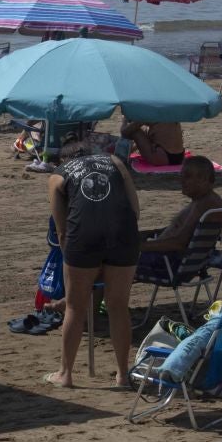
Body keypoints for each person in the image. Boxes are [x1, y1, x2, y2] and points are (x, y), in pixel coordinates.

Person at [45, 132, 141, 389]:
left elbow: (61, 228)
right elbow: (135, 209)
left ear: (61, 160)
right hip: (123, 233)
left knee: (75, 307)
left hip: (83, 237)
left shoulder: (57, 175)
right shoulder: (114, 161)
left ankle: (65, 374)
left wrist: (71, 261)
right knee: (118, 306)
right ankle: (122, 375)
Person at [136, 157, 222, 258]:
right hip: (177, 260)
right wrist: (151, 233)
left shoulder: (204, 205)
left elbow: (179, 243)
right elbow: (186, 231)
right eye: (181, 175)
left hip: (166, 263)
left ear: (204, 179)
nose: (181, 180)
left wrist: (137, 247)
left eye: (187, 176)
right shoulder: (207, 200)